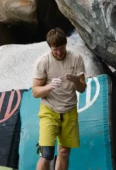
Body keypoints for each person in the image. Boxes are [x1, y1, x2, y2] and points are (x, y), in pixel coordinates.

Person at [33, 28, 87, 170]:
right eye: (55, 49)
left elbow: (82, 88)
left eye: (61, 48)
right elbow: (35, 92)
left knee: (63, 152)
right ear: (50, 47)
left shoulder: (76, 58)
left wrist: (76, 80)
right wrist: (49, 87)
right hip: (49, 110)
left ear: (66, 44)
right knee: (46, 154)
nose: (59, 52)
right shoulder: (43, 62)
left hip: (69, 111)